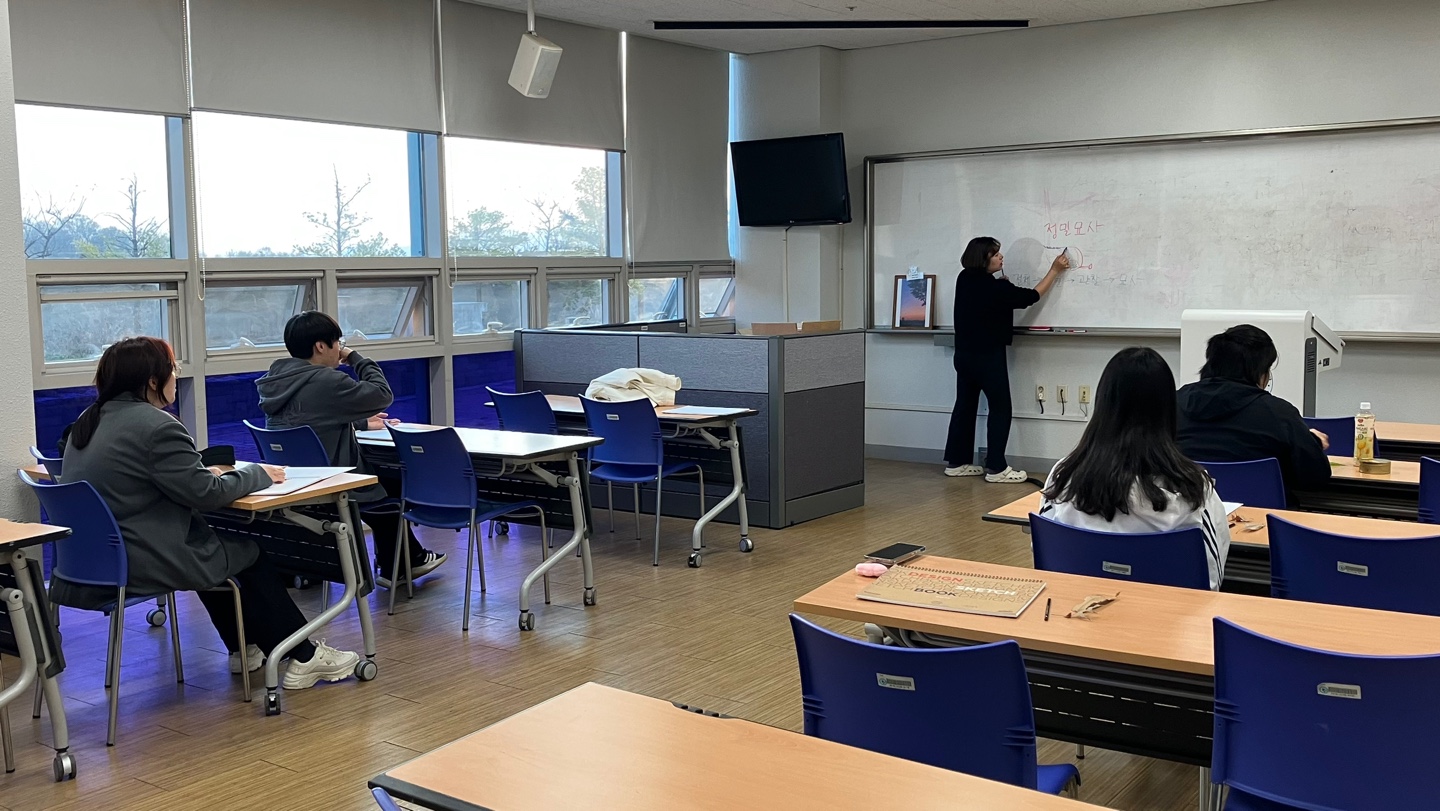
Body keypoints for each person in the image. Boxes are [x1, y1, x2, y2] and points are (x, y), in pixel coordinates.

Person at [55, 337, 361, 688]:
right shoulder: (156, 426)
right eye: (173, 369)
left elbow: (145, 478)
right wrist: (258, 473)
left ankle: (243, 647)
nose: (176, 376)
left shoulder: (89, 420)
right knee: (247, 554)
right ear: (153, 381)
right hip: (146, 557)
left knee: (216, 551)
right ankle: (303, 656)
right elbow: (207, 494)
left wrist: (203, 473)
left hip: (95, 562)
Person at [256, 311, 447, 588]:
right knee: (395, 483)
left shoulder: (275, 380)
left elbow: (307, 419)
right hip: (333, 483)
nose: (340, 349)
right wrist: (356, 358)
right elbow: (382, 394)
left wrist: (359, 422)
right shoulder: (326, 381)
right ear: (321, 346)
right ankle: (400, 564)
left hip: (297, 483)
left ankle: (404, 559)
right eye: (338, 342)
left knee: (381, 482)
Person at [1039, 347, 1231, 590]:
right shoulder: (1194, 489)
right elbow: (1211, 580)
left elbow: (1044, 554)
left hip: (1075, 606)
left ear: (1103, 402)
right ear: (1168, 409)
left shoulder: (1064, 477)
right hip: (1169, 613)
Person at [944, 237, 1069, 483]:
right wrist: (1054, 270)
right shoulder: (995, 288)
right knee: (1000, 408)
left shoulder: (965, 278)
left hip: (964, 355)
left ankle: (957, 463)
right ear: (983, 259)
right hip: (988, 356)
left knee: (965, 406)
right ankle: (996, 468)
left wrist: (1002, 287)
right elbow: (1031, 296)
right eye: (995, 254)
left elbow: (986, 304)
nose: (1001, 257)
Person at [1176, 324, 1332, 492]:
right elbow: (1315, 478)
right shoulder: (1279, 413)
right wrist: (1312, 443)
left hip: (1189, 505)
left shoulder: (1173, 402)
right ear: (1260, 372)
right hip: (1261, 507)